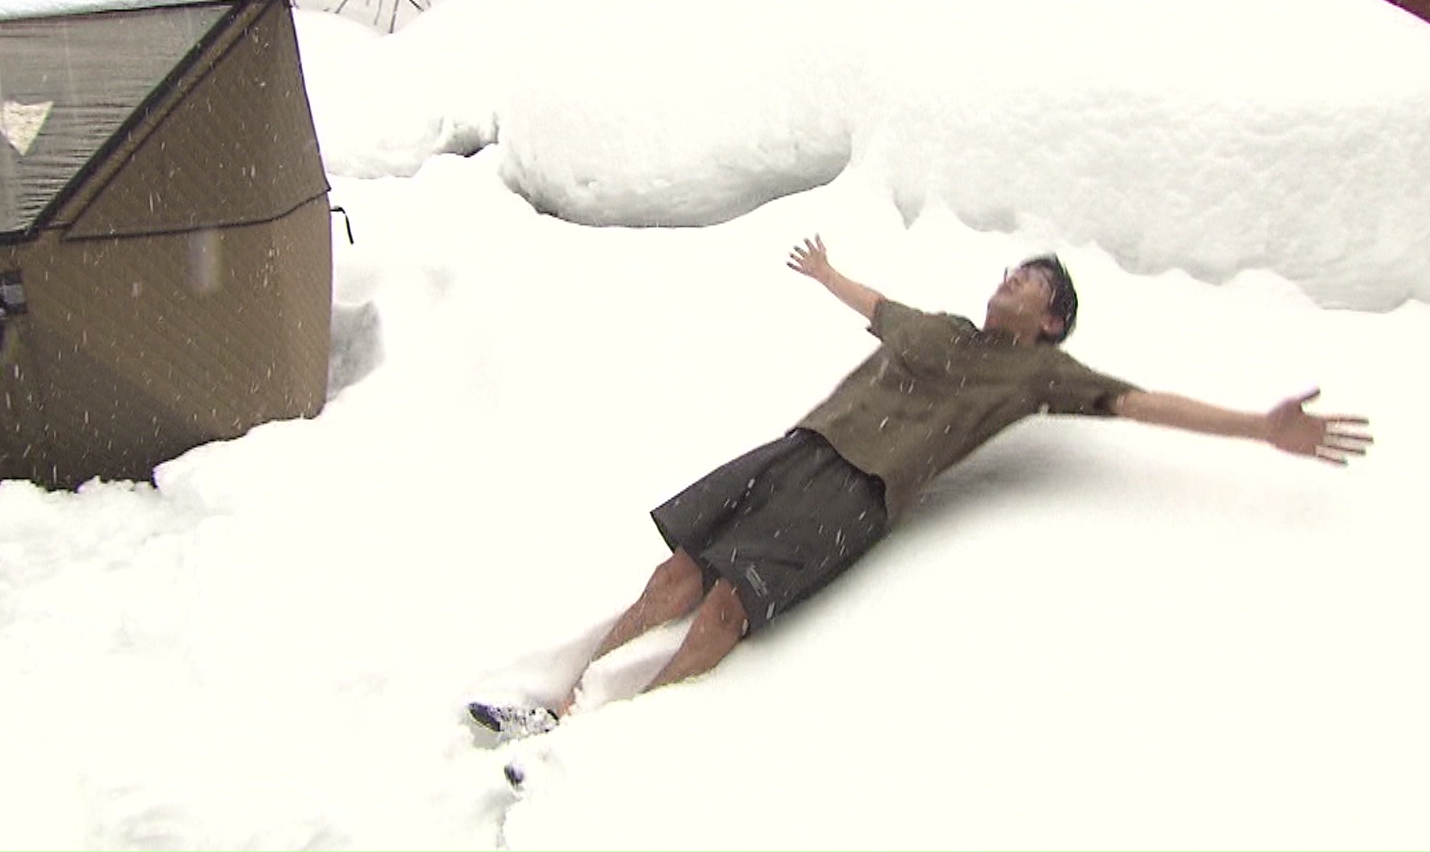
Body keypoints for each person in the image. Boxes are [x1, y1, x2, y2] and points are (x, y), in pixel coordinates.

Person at [470, 235, 1371, 740]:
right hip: (799, 450)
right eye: (1010, 270)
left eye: (1030, 280)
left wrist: (1260, 426)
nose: (1009, 279)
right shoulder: (938, 328)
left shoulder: (1039, 375)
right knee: (674, 576)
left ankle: (614, 736)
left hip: (857, 493)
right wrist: (827, 274)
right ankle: (558, 699)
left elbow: (1141, 404)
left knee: (723, 610)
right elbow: (877, 307)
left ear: (1051, 319)